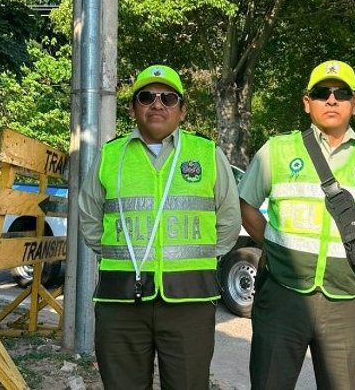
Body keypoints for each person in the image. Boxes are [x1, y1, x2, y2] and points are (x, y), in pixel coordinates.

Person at [239, 60, 355, 389]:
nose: (331, 100)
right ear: (307, 103)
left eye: (341, 93)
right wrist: (275, 249)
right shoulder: (277, 150)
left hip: (346, 303)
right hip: (282, 296)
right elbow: (246, 205)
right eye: (322, 93)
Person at [78, 64, 241, 389]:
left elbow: (228, 221)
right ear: (133, 107)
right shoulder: (111, 156)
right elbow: (89, 219)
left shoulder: (206, 154)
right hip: (120, 302)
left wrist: (196, 262)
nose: (157, 104)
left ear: (182, 111)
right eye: (146, 96)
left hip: (189, 303)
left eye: (168, 98)